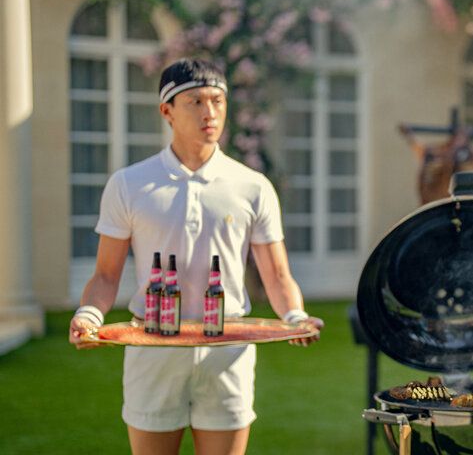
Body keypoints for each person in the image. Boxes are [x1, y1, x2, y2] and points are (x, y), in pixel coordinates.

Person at [68, 58, 324, 455]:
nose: (210, 112)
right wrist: (88, 316)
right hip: (152, 347)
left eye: (218, 101)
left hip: (228, 351)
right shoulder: (129, 184)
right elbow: (105, 275)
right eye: (196, 101)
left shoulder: (252, 186)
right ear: (166, 111)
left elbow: (276, 274)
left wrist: (295, 317)